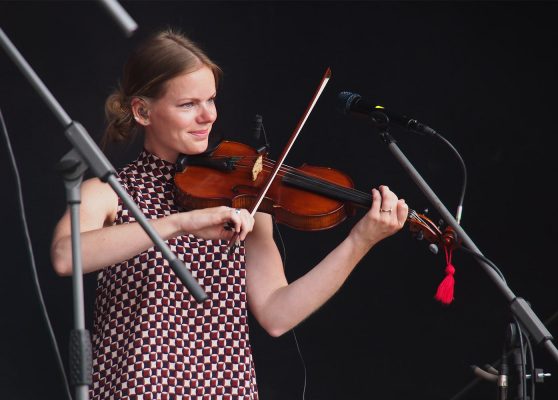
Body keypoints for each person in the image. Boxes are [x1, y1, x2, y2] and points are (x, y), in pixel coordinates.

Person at [51, 28, 409, 399]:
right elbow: (65, 256)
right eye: (188, 104)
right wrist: (179, 223)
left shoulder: (246, 199)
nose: (207, 116)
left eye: (211, 100)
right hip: (142, 389)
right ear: (143, 111)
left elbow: (277, 314)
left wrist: (359, 242)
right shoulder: (109, 193)